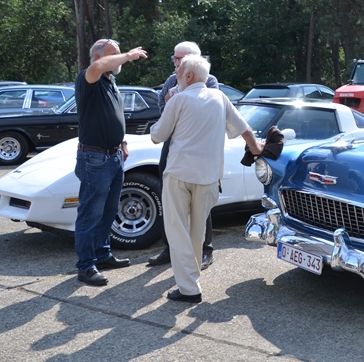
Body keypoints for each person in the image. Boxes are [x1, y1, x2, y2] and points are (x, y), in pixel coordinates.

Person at [150, 54, 263, 303]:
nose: (176, 76)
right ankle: (192, 280)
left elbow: (157, 136)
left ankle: (189, 288)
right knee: (197, 230)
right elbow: (245, 130)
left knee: (177, 230)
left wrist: (166, 107)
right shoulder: (220, 97)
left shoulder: (178, 99)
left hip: (179, 174)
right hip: (209, 177)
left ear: (189, 76)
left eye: (179, 72)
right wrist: (257, 149)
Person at [74, 38, 148, 286]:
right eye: (112, 55)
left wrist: (122, 141)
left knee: (108, 210)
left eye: (119, 54)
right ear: (97, 57)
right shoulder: (89, 78)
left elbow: (110, 116)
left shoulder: (109, 81)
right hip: (95, 157)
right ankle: (86, 266)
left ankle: (102, 254)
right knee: (90, 213)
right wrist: (128, 55)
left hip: (114, 155)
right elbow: (96, 68)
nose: (119, 59)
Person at [147, 41, 219, 270]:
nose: (175, 63)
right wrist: (171, 103)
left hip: (199, 149)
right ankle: (171, 248)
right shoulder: (171, 80)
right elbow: (163, 111)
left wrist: (177, 104)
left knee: (201, 201)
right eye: (174, 58)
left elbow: (206, 113)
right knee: (169, 199)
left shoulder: (209, 81)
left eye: (179, 59)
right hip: (174, 144)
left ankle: (205, 250)